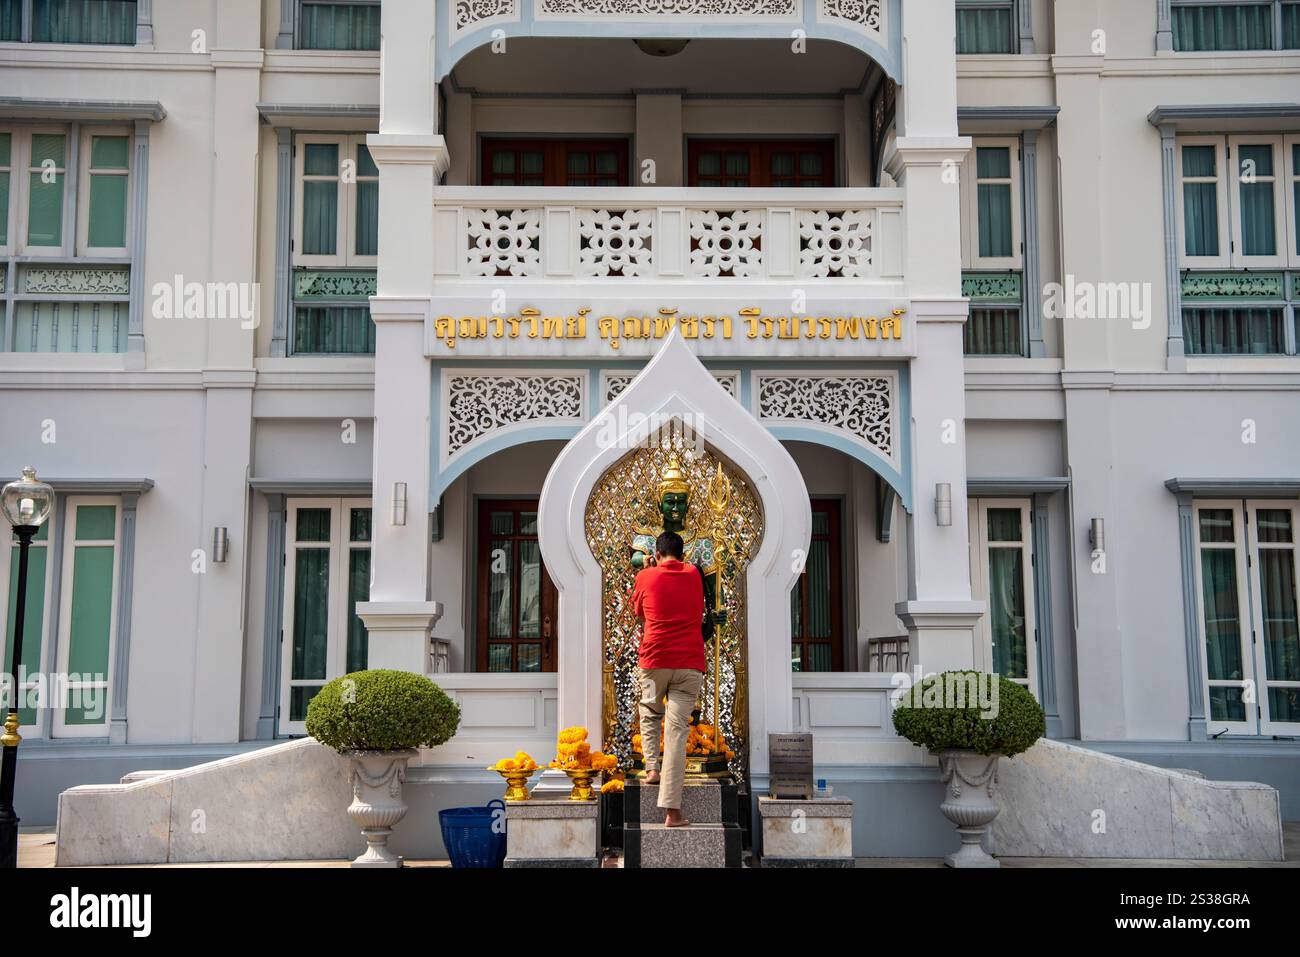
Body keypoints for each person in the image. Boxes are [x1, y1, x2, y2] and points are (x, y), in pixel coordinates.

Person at [631, 530, 706, 827]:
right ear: (683, 554)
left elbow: (638, 612)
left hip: (653, 662)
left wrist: (648, 568)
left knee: (649, 712)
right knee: (677, 734)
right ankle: (672, 812)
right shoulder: (695, 575)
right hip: (689, 666)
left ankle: (652, 768)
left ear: (658, 554)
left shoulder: (645, 577)